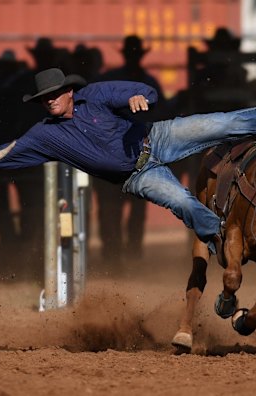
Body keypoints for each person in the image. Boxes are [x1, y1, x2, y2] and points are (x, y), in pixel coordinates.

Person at [0, 67, 256, 264]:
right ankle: (220, 238)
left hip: (158, 135)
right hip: (137, 175)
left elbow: (141, 90)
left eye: (54, 94)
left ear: (69, 91)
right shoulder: (44, 136)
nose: (50, 101)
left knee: (222, 122)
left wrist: (140, 98)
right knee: (184, 203)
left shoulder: (95, 95)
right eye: (44, 99)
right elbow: (6, 151)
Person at [93, 35, 166, 262]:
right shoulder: (148, 83)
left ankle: (124, 254)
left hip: (131, 155)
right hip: (124, 155)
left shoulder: (111, 80)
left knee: (125, 210)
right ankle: (116, 254)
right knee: (113, 210)